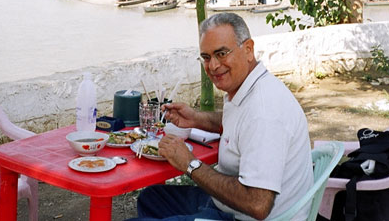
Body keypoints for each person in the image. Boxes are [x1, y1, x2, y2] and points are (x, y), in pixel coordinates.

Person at [128, 12, 312, 221]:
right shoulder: (250, 87)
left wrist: (190, 163)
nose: (213, 66)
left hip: (245, 216)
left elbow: (258, 204)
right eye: (206, 57)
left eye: (222, 53)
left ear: (248, 49)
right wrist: (196, 118)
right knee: (152, 198)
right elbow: (239, 122)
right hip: (230, 207)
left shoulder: (264, 112)